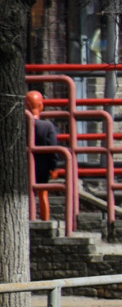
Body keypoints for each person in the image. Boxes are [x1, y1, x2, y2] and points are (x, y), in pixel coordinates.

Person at [25, 91, 60, 222]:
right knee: (43, 194)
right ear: (41, 105)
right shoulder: (47, 126)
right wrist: (54, 167)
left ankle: (27, 219)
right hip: (42, 165)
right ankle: (45, 221)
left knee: (24, 194)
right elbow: (52, 148)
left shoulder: (19, 125)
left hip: (23, 165)